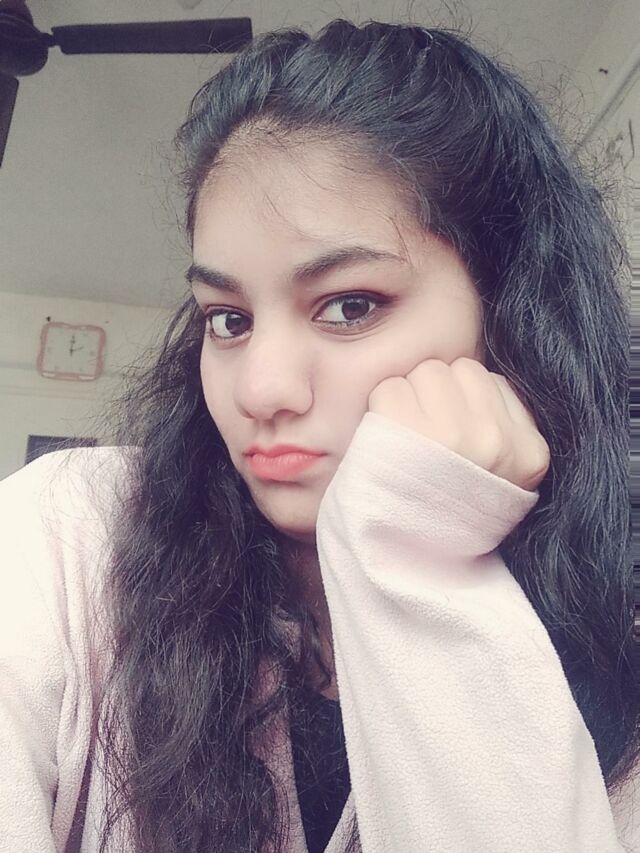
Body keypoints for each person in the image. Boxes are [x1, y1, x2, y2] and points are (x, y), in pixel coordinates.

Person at [0, 17, 637, 853]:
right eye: (228, 319)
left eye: (350, 306)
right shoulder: (72, 532)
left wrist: (419, 557)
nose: (260, 387)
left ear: (513, 318)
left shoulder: (617, 681)